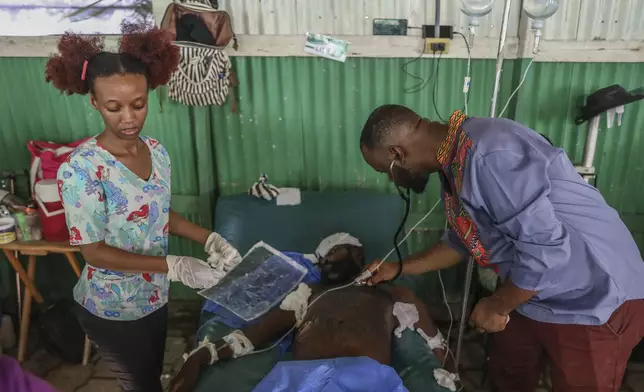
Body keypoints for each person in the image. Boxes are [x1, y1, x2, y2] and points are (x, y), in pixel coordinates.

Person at [358, 105, 644, 391]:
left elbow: (547, 252)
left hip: (593, 296)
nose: (389, 179)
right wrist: (398, 268)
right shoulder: (454, 162)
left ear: (397, 154)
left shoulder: (487, 155)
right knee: (508, 374)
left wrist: (497, 304)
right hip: (532, 289)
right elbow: (463, 243)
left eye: (385, 170)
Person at [48, 23, 242, 392]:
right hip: (111, 308)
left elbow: (155, 215)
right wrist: (175, 266)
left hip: (153, 297)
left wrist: (210, 239)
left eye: (138, 104)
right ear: (94, 102)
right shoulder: (82, 168)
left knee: (149, 378)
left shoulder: (156, 151)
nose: (128, 118)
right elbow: (93, 252)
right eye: (113, 107)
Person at [170, 233, 457, 392]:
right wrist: (200, 357)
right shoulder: (307, 293)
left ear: (357, 253)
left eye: (333, 251)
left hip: (367, 381)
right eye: (320, 258)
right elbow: (253, 336)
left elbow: (435, 349)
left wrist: (451, 380)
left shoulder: (394, 296)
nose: (324, 260)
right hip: (300, 381)